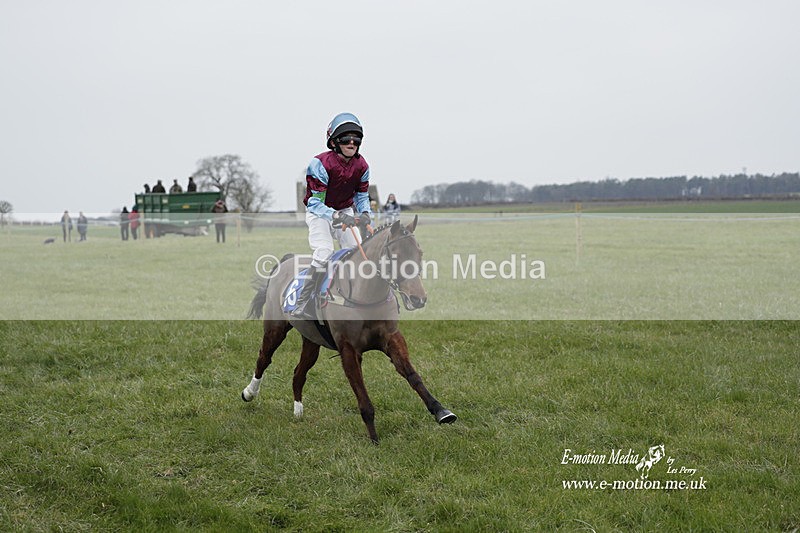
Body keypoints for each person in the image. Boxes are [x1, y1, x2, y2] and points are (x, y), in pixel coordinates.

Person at [291, 112, 373, 319]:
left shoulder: (362, 166)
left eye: (357, 138)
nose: (352, 142)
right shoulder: (320, 164)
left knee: (356, 253)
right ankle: (304, 302)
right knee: (324, 252)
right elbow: (314, 202)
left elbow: (362, 195)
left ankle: (356, 300)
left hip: (344, 211)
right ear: (334, 142)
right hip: (319, 212)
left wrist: (365, 213)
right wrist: (336, 216)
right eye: (346, 138)